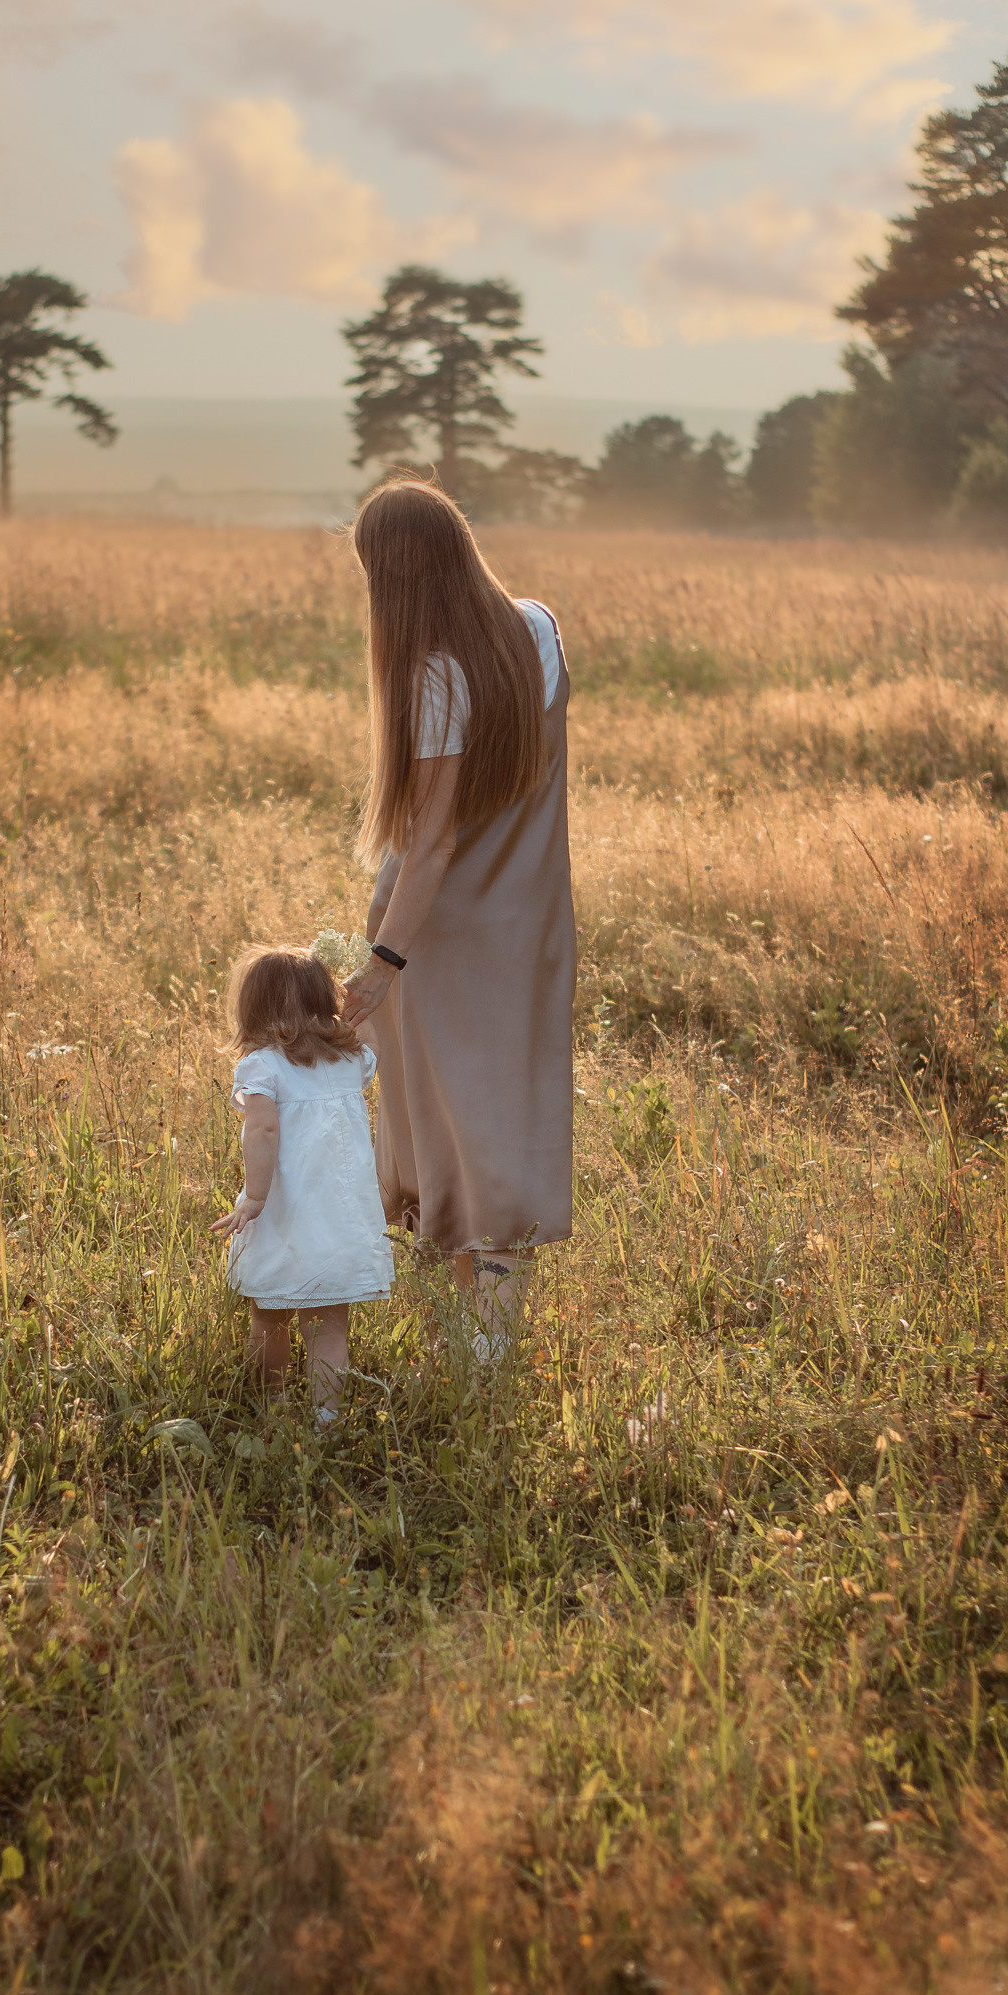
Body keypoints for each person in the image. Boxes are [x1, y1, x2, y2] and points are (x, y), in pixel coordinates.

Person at [341, 478, 575, 1355]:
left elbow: (430, 844)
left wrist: (381, 962)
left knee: (444, 1125)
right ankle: (481, 1335)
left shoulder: (436, 673)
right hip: (530, 926)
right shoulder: (539, 627)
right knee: (498, 1115)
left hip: (440, 935)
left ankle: (478, 1349)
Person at [211, 945, 394, 1424]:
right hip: (341, 1218)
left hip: (284, 1214)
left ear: (252, 1009)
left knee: (269, 1314)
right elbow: (370, 1038)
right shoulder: (349, 1061)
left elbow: (263, 1129)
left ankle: (270, 1404)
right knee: (330, 1326)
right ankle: (325, 1419)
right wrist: (358, 1002)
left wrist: (254, 1196)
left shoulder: (262, 1066)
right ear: (325, 1002)